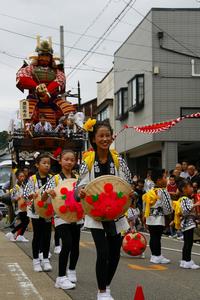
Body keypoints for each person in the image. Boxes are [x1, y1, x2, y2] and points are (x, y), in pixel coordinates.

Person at [75, 119, 133, 300]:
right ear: (93, 138)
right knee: (103, 252)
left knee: (115, 254)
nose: (105, 139)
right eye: (101, 136)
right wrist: (81, 193)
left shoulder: (119, 160)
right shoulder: (87, 162)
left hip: (116, 213)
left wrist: (132, 195)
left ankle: (106, 286)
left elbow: (127, 185)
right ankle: (101, 292)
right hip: (95, 214)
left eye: (108, 135)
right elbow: (78, 187)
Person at [42, 149, 81, 290]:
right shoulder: (55, 179)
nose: (69, 162)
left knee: (75, 245)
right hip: (61, 216)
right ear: (60, 161)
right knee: (68, 243)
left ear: (75, 162)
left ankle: (72, 270)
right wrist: (48, 193)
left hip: (76, 215)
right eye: (66, 159)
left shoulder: (78, 178)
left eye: (72, 159)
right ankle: (60, 277)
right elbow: (43, 198)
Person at [23, 152, 52, 272]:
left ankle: (45, 259)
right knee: (37, 235)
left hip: (48, 211)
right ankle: (35, 260)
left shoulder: (52, 178)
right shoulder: (32, 179)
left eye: (48, 163)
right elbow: (25, 194)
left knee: (47, 235)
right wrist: (31, 195)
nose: (47, 165)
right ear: (37, 165)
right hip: (35, 211)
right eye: (44, 163)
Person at [143, 169, 172, 264]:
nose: (167, 179)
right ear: (159, 180)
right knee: (157, 237)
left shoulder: (150, 191)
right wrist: (169, 215)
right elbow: (168, 207)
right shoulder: (163, 191)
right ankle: (157, 255)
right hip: (159, 217)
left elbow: (145, 204)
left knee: (153, 236)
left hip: (150, 217)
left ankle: (154, 255)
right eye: (165, 177)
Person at [175, 180, 200, 269]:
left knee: (187, 242)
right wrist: (195, 205)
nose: (192, 188)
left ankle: (185, 260)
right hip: (187, 224)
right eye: (189, 187)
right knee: (188, 243)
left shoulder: (186, 199)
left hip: (188, 223)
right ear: (184, 189)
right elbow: (185, 211)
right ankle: (187, 261)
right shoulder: (185, 199)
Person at [5, 170, 29, 242]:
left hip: (24, 206)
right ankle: (12, 233)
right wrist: (16, 198)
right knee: (26, 221)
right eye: (20, 176)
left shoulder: (23, 186)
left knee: (26, 221)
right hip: (18, 207)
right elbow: (12, 198)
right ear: (17, 178)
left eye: (23, 176)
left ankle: (19, 235)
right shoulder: (15, 187)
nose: (22, 178)